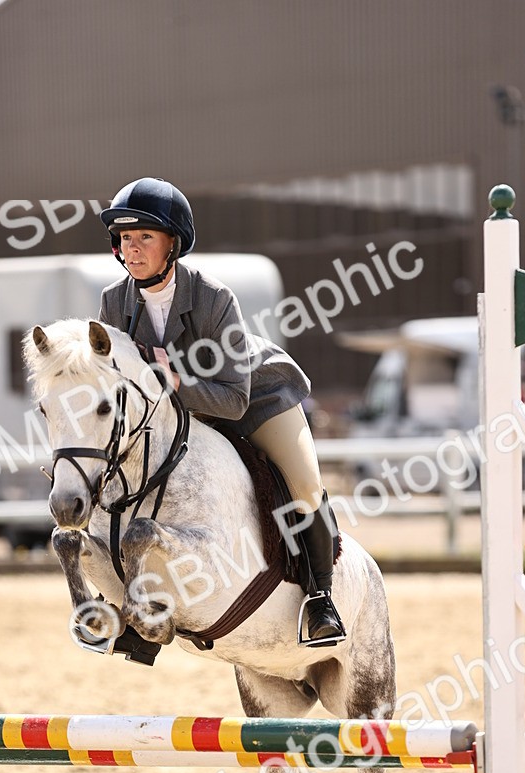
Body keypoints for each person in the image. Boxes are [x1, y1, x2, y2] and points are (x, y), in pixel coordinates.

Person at [98, 176, 345, 647]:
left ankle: (320, 599)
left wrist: (173, 382)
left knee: (306, 483)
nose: (132, 249)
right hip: (182, 416)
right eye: (125, 239)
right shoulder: (114, 302)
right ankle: (134, 612)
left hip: (256, 398)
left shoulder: (213, 297)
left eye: (145, 237)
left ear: (173, 244)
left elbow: (233, 398)